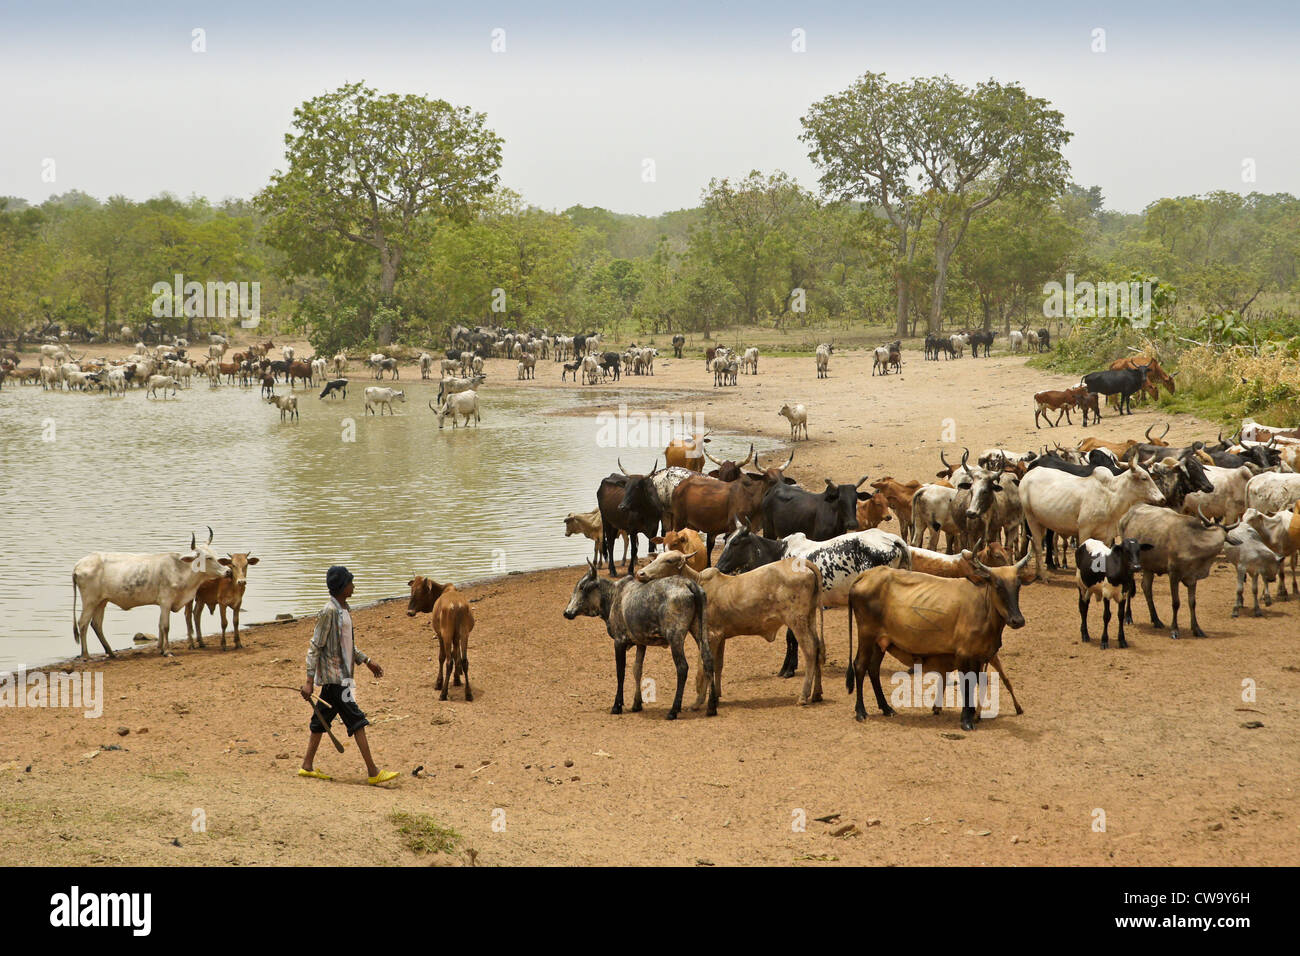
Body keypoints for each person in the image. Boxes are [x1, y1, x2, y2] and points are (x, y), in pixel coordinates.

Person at [299, 565, 398, 785]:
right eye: (351, 582)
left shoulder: (344, 610)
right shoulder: (329, 612)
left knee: (321, 720)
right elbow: (315, 646)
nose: (354, 585)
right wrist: (308, 682)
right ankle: (373, 772)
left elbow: (347, 646)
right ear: (343, 587)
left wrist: (367, 661)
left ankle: (306, 765)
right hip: (336, 679)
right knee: (356, 720)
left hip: (343, 675)